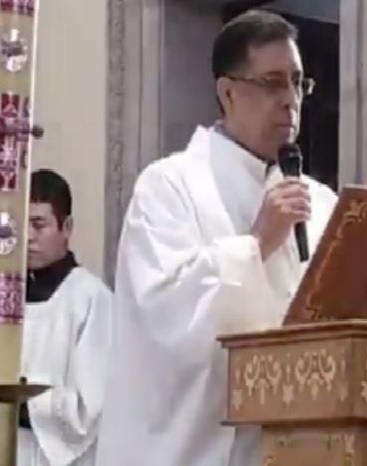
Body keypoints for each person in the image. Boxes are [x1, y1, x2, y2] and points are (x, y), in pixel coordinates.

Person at [95, 10, 337, 466]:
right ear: (227, 92)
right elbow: (163, 316)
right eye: (272, 83)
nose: (290, 100)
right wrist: (256, 244)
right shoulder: (167, 187)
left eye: (298, 83)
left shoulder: (321, 202)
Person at [17, 169, 113, 466]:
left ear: (66, 227)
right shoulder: (8, 296)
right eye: (20, 223)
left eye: (38, 224)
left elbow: (88, 408)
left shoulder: (91, 298)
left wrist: (19, 402)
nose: (28, 236)